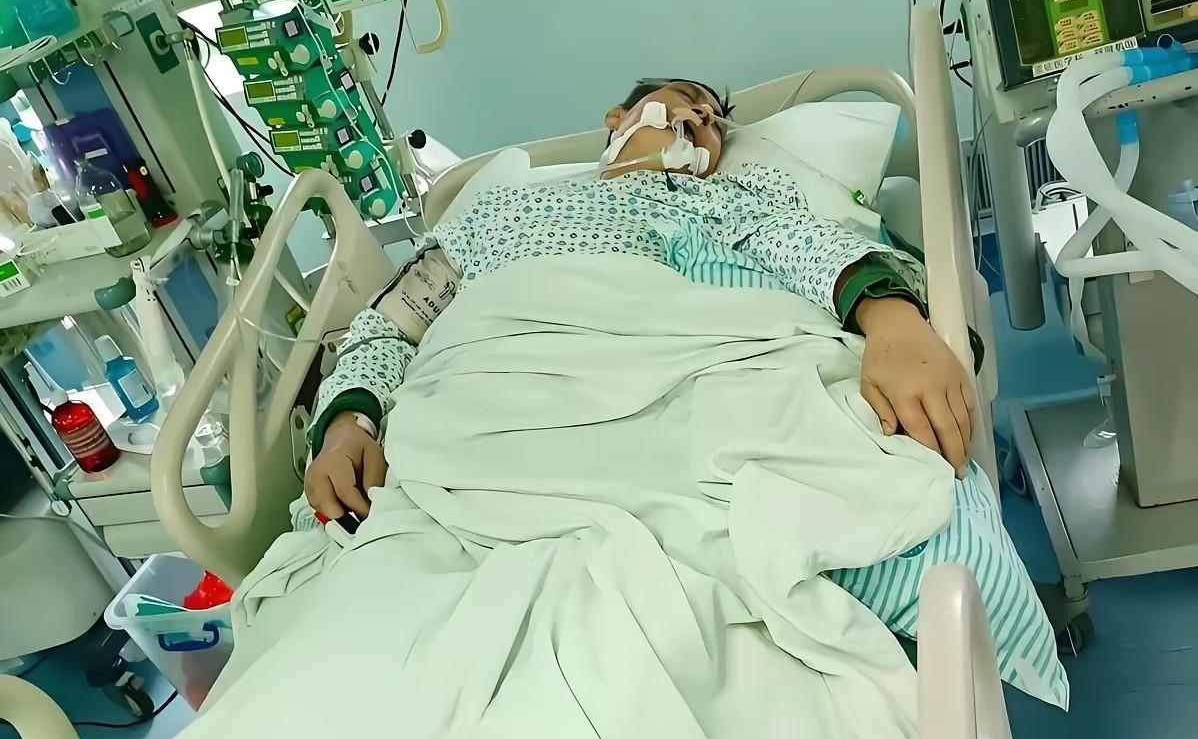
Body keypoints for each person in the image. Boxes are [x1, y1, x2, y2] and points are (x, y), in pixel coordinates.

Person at [303, 78, 974, 523]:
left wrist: (893, 321)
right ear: (618, 120)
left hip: (643, 416)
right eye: (686, 101)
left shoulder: (724, 198)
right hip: (476, 406)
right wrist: (347, 429)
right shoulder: (496, 211)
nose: (702, 119)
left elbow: (801, 243)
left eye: (714, 123)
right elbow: (389, 328)